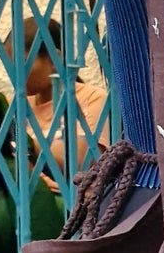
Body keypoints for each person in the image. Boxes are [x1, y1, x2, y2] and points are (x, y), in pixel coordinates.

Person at [19, 15, 108, 178]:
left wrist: (27, 145)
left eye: (23, 62)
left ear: (54, 59)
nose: (14, 72)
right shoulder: (18, 106)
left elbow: (85, 161)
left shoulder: (93, 99)